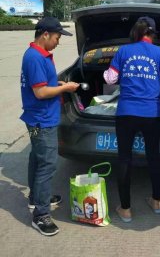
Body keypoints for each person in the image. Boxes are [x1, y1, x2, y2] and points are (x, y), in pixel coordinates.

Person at [103, 16, 160, 222]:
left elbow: (110, 79)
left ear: (137, 31)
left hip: (126, 112)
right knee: (153, 157)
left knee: (124, 158)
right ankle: (157, 202)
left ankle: (125, 209)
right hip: (151, 113)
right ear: (152, 34)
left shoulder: (124, 51)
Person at [20, 17, 80, 236]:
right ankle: (41, 215)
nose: (57, 42)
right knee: (47, 165)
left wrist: (59, 84)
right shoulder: (35, 57)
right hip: (42, 120)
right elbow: (40, 92)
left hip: (37, 119)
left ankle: (37, 198)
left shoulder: (38, 54)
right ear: (45, 34)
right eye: (56, 37)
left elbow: (45, 83)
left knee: (37, 158)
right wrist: (65, 89)